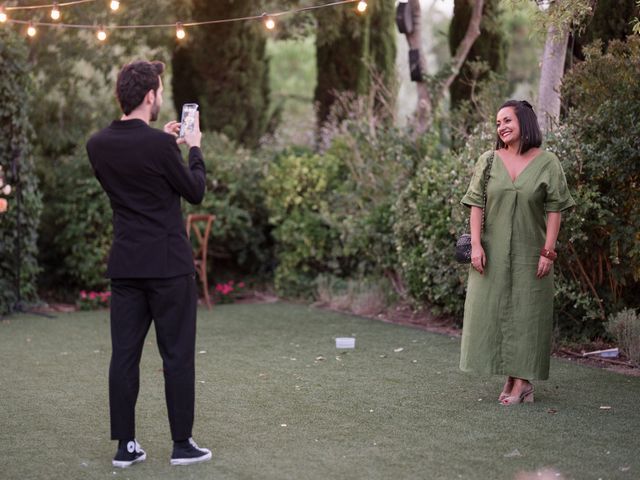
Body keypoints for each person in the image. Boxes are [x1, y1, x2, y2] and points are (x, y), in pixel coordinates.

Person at [86, 60, 212, 467]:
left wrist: (164, 144)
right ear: (148, 96)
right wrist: (194, 147)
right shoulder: (159, 146)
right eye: (158, 90)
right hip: (169, 266)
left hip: (125, 264)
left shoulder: (97, 144)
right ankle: (182, 446)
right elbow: (194, 192)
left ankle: (125, 448)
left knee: (124, 355)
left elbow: (135, 172)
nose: (160, 96)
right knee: (176, 356)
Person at [459, 100, 575, 405]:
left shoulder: (548, 162)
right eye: (497, 123)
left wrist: (548, 252)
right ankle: (510, 376)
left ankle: (523, 382)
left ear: (524, 121)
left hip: (530, 250)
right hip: (491, 251)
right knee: (492, 310)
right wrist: (475, 245)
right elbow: (475, 204)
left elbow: (555, 209)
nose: (501, 127)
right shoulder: (488, 160)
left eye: (507, 120)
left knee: (527, 313)